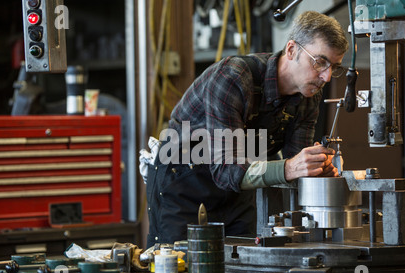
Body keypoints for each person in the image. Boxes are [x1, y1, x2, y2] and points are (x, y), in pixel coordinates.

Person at [144, 11, 349, 248]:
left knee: (245, 268)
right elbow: (226, 171)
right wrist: (291, 166)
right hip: (184, 184)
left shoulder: (307, 97)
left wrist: (314, 168)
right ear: (291, 50)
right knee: (178, 270)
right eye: (320, 62)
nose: (326, 76)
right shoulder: (233, 77)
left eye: (334, 67)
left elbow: (293, 170)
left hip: (238, 191)